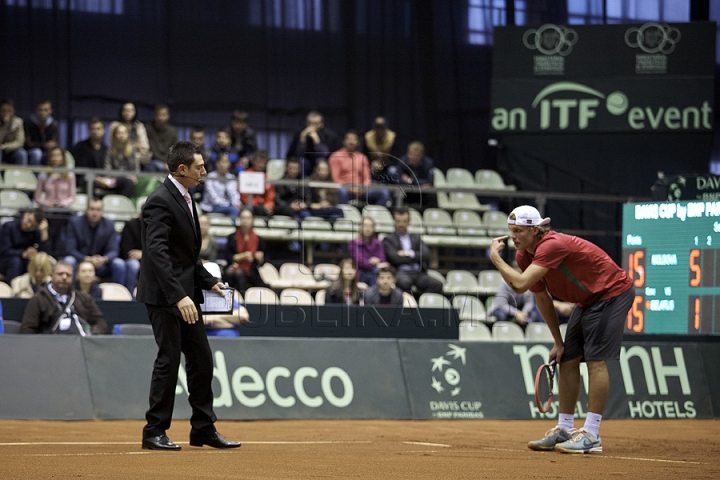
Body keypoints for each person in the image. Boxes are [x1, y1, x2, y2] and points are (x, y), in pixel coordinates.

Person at [489, 205, 634, 454]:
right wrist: (558, 341)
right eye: (510, 231)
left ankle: (591, 433)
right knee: (567, 358)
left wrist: (495, 258)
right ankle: (564, 428)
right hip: (587, 301)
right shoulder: (525, 256)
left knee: (595, 360)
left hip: (612, 293)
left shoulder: (552, 245)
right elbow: (541, 297)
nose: (513, 236)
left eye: (518, 231)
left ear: (535, 230)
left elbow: (520, 285)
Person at [136, 141, 239, 451]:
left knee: (201, 360)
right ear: (182, 170)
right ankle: (154, 431)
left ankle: (203, 429)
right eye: (199, 167)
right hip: (166, 297)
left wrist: (209, 281)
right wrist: (179, 295)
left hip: (186, 295)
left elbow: (187, 255)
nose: (204, 171)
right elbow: (157, 253)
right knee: (168, 360)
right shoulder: (159, 200)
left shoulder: (185, 197)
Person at [19, 261, 107, 334]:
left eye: (68, 275)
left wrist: (92, 336)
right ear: (51, 275)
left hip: (80, 344)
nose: (64, 277)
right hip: (49, 347)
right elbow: (28, 329)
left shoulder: (84, 298)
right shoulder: (38, 299)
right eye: (60, 274)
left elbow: (100, 321)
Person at [64, 198, 126, 287]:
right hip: (81, 262)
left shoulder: (109, 225)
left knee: (119, 264)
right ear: (86, 210)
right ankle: (70, 294)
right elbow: (70, 249)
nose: (95, 213)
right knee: (69, 260)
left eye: (98, 210)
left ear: (102, 211)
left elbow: (114, 250)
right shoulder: (75, 222)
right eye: (92, 209)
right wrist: (88, 259)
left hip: (101, 264)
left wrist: (104, 259)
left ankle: (119, 297)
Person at [382, 207, 443, 296]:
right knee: (404, 283)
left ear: (409, 222)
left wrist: (409, 253)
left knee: (437, 285)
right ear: (394, 221)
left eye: (404, 221)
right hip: (401, 272)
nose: (401, 224)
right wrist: (415, 257)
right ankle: (409, 304)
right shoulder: (388, 239)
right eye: (398, 221)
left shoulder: (416, 238)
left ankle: (421, 303)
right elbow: (395, 259)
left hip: (418, 272)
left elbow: (426, 254)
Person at [329, 131, 391, 207]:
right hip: (346, 189)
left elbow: (367, 178)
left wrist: (363, 188)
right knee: (342, 191)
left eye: (354, 139)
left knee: (383, 192)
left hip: (361, 190)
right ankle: (345, 215)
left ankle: (376, 216)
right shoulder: (335, 156)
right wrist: (352, 189)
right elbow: (336, 179)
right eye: (349, 139)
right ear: (344, 141)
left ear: (358, 142)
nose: (351, 142)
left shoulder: (362, 157)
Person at [34, 146, 76, 255]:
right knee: (50, 220)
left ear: (63, 158)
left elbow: (71, 196)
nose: (55, 158)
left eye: (58, 155)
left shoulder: (70, 175)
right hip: (48, 209)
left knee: (63, 218)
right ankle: (49, 251)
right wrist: (47, 203)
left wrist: (62, 203)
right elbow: (37, 197)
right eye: (53, 156)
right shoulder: (43, 175)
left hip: (63, 209)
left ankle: (60, 251)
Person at [224, 208, 268, 294]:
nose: (245, 221)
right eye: (243, 218)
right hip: (234, 268)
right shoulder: (232, 237)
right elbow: (228, 257)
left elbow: (263, 261)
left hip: (251, 271)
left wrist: (260, 258)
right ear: (239, 219)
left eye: (248, 218)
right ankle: (241, 297)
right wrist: (242, 256)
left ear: (252, 220)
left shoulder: (258, 239)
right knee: (238, 273)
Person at [0, 208, 50, 283]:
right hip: (7, 260)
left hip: (26, 260)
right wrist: (23, 253)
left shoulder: (36, 232)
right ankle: (14, 289)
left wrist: (44, 233)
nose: (28, 225)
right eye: (29, 220)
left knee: (38, 262)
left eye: (33, 225)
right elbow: (4, 250)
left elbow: (43, 253)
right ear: (26, 214)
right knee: (16, 261)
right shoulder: (9, 226)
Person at [286, 110, 340, 176]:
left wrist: (317, 142)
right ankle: (304, 185)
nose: (312, 126)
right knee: (302, 162)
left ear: (321, 124)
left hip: (323, 162)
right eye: (309, 123)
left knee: (320, 161)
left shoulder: (329, 135)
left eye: (315, 123)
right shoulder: (300, 133)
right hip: (305, 161)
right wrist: (302, 140)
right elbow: (297, 154)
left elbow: (326, 154)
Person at [349, 217, 388, 286]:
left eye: (370, 226)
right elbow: (360, 262)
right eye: (365, 226)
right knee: (372, 276)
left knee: (381, 273)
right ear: (360, 227)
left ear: (373, 229)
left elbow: (382, 260)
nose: (368, 229)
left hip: (376, 271)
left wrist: (372, 262)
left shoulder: (378, 243)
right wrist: (372, 262)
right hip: (361, 272)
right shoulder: (353, 243)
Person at [71, 118, 108, 192]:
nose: (95, 131)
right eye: (92, 129)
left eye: (98, 129)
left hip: (103, 179)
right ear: (88, 130)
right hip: (85, 179)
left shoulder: (106, 149)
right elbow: (80, 169)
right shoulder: (80, 147)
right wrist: (96, 178)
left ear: (104, 131)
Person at [103, 123, 139, 198]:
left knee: (130, 183)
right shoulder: (110, 151)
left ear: (128, 135)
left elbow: (136, 168)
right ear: (114, 135)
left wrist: (134, 176)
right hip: (114, 179)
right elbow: (107, 170)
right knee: (127, 182)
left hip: (130, 179)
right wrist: (125, 176)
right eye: (119, 133)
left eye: (124, 133)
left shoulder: (132, 150)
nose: (122, 135)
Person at [364, 116, 401, 185]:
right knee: (365, 170)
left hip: (388, 166)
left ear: (386, 129)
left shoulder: (392, 137)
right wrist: (371, 164)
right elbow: (364, 155)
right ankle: (369, 191)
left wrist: (383, 165)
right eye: (377, 128)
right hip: (372, 166)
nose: (379, 130)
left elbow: (395, 158)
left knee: (393, 171)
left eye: (382, 128)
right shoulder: (368, 137)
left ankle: (392, 192)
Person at [399, 141, 435, 207]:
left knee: (432, 193)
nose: (414, 158)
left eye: (417, 156)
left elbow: (430, 182)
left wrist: (410, 181)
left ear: (422, 155)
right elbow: (400, 181)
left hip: (422, 192)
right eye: (412, 155)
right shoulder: (402, 162)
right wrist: (419, 184)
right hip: (408, 192)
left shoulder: (428, 163)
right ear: (408, 154)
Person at [239, 151, 275, 217]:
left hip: (264, 207)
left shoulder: (267, 178)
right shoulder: (246, 175)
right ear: (253, 161)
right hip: (249, 206)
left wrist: (268, 205)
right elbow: (244, 197)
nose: (261, 165)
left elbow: (270, 196)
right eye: (259, 162)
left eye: (264, 162)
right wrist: (257, 202)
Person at [24, 99, 59, 166]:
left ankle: (54, 176)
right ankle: (35, 176)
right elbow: (28, 143)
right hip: (31, 151)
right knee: (37, 153)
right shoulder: (28, 123)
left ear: (50, 111)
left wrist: (53, 144)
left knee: (57, 155)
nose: (42, 113)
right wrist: (43, 145)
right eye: (40, 110)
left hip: (47, 151)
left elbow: (55, 140)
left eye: (46, 110)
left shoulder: (54, 124)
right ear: (36, 111)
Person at [145, 104, 177, 171]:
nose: (161, 117)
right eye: (158, 115)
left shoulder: (172, 130)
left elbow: (175, 150)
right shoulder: (148, 129)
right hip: (153, 161)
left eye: (163, 115)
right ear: (155, 116)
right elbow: (150, 150)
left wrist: (169, 163)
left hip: (168, 162)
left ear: (168, 116)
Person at [119, 215, 143, 296]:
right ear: (140, 214)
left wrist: (144, 254)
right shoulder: (131, 225)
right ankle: (128, 294)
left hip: (148, 259)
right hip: (129, 259)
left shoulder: (156, 227)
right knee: (133, 265)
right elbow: (126, 251)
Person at [0, 99, 28, 165]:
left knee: (22, 153)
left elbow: (20, 142)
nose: (6, 113)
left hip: (11, 150)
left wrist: (5, 146)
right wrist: (4, 126)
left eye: (9, 111)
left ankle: (21, 175)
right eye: (3, 111)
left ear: (13, 111)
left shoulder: (18, 122)